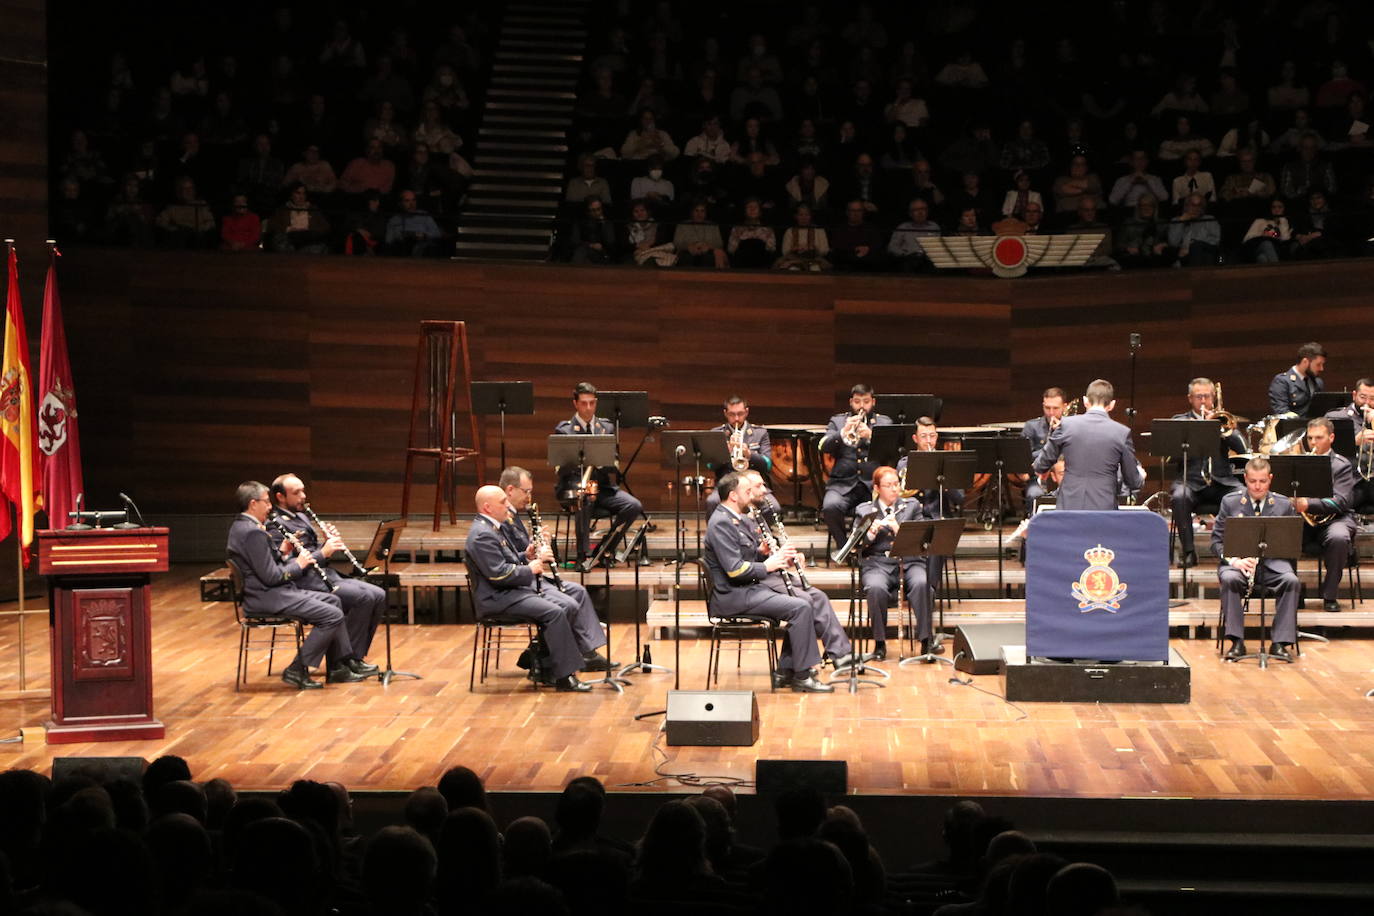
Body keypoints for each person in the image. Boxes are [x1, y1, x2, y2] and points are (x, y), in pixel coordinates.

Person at [703, 472, 852, 692]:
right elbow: (735, 570)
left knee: (804, 600)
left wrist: (761, 553)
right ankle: (802, 676)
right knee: (801, 606)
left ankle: (787, 670)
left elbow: (743, 557)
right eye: (747, 491)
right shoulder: (721, 523)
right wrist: (769, 565)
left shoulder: (732, 518)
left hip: (747, 589)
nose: (751, 494)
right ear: (733, 496)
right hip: (733, 596)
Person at [226, 481, 363, 689]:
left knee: (334, 600)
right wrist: (299, 564)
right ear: (253, 504)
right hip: (267, 597)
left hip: (267, 593)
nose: (270, 506)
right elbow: (271, 577)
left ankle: (339, 665)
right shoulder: (252, 532)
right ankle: (298, 668)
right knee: (332, 615)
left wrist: (282, 551)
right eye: (266, 502)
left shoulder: (241, 527)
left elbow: (263, 565)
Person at [463, 486, 596, 692]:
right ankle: (562, 676)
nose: (507, 505)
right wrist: (530, 569)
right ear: (488, 507)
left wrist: (526, 555)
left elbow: (505, 560)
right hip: (497, 598)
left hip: (509, 592)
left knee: (567, 603)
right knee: (556, 611)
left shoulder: (490, 528)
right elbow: (499, 574)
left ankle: (545, 665)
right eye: (502, 502)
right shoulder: (482, 534)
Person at [497, 466, 614, 672]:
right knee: (566, 601)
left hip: (527, 576)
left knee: (578, 591)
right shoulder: (502, 519)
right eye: (526, 491)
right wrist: (534, 555)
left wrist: (538, 544)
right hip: (521, 583)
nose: (529, 496)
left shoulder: (513, 516)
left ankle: (586, 652)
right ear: (510, 490)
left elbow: (523, 551)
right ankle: (544, 653)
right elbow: (511, 558)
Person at [267, 473, 385, 676]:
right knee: (363, 597)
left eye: (303, 490)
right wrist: (323, 552)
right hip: (305, 583)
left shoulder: (302, 516)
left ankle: (354, 658)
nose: (303, 496)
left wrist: (326, 543)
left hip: (325, 575)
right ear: (280, 497)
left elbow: (314, 554)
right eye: (297, 493)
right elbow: (289, 564)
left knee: (378, 594)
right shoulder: (275, 525)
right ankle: (342, 661)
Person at [1212, 457, 1300, 661]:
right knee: (1230, 579)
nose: (1257, 486)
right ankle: (1236, 641)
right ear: (1245, 479)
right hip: (1239, 564)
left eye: (1262, 481)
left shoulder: (1283, 504)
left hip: (1272, 565)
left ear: (1270, 479)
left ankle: (1280, 642)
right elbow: (1216, 542)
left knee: (1291, 580)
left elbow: (1290, 545)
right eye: (1252, 481)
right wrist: (1235, 561)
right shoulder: (1230, 502)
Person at [553, 382, 644, 563]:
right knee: (583, 499)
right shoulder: (564, 430)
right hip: (575, 489)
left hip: (602, 488)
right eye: (584, 403)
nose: (588, 408)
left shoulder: (607, 428)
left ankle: (605, 549)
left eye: (592, 403)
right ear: (575, 404)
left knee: (633, 506)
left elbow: (615, 462)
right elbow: (559, 468)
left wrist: (604, 463)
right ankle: (583, 556)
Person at [849, 466, 929, 661]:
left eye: (896, 484)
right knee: (875, 587)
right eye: (888, 485)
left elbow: (921, 541)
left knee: (922, 583)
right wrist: (870, 534)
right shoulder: (864, 510)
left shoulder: (912, 506)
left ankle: (927, 641)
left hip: (909, 561)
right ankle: (879, 643)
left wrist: (898, 528)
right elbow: (856, 545)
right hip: (877, 563)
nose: (895, 489)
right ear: (877, 488)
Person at [1167, 379, 1247, 568]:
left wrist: (1227, 430)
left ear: (1213, 397)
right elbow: (1172, 457)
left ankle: (1233, 553)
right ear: (1190, 398)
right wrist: (1198, 430)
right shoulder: (1180, 421)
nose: (1203, 400)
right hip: (1191, 482)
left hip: (1222, 482)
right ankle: (1188, 552)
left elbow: (1243, 447)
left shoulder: (1223, 420)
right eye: (1198, 396)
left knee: (1243, 495)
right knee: (1179, 497)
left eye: (1207, 396)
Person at [1031, 380, 1142, 511]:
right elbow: (1133, 482)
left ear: (1085, 401)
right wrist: (1141, 476)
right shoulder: (1122, 432)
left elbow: (1040, 465)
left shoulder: (1065, 425)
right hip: (1103, 507)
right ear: (1112, 405)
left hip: (1069, 505)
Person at [1293, 417, 1356, 612]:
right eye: (1310, 438)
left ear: (1331, 437)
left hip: (1334, 519)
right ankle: (1293, 591)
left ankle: (1330, 595)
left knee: (1339, 537)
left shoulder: (1341, 465)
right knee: (1282, 530)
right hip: (1304, 522)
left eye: (1319, 438)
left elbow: (1340, 501)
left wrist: (1308, 504)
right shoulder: (1296, 464)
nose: (1313, 443)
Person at [819, 384, 893, 548]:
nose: (861, 406)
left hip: (873, 485)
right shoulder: (838, 421)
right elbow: (823, 446)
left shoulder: (884, 422)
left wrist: (871, 436)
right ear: (851, 402)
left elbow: (892, 451)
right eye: (857, 401)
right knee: (830, 507)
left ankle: (865, 548)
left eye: (866, 402)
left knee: (876, 511)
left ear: (873, 402)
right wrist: (843, 432)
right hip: (842, 483)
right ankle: (845, 548)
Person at [704, 396, 774, 514]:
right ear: (725, 413)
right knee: (712, 502)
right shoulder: (717, 433)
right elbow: (710, 466)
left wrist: (749, 454)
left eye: (740, 414)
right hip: (726, 484)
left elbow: (767, 465)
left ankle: (758, 532)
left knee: (773, 508)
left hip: (753, 484)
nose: (736, 418)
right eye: (732, 414)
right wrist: (725, 452)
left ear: (746, 412)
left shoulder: (760, 433)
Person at [1325, 378, 1374, 512]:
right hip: (1349, 481)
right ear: (1354, 395)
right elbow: (1323, 447)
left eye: (1372, 399)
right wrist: (1354, 441)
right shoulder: (1336, 417)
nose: (1367, 403)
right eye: (1363, 397)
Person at [1022, 388, 1068, 506]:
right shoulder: (1031, 427)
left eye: (1055, 408)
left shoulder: (1072, 427)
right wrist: (1051, 446)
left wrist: (1062, 432)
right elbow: (1024, 457)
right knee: (1034, 495)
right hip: (1038, 478)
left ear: (1065, 406)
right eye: (1047, 408)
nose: (1051, 413)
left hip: (1067, 477)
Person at [1268, 342, 1326, 417]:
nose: (1321, 368)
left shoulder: (1318, 382)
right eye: (1318, 364)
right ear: (1305, 362)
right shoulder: (1282, 381)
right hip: (1292, 427)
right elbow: (1281, 411)